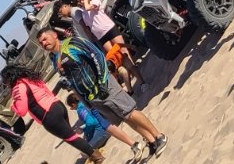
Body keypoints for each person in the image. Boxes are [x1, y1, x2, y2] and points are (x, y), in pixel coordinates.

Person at [37, 28, 168, 157]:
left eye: (45, 39)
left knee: (130, 111)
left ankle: (158, 136)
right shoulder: (55, 60)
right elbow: (72, 83)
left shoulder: (72, 43)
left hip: (104, 86)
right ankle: (151, 141)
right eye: (41, 42)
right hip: (92, 97)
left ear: (54, 35)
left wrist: (102, 82)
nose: (44, 43)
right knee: (124, 117)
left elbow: (97, 55)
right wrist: (85, 102)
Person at [0, 64, 105, 163]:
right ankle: (91, 152)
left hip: (49, 116)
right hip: (58, 106)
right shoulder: (32, 78)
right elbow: (49, 93)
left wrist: (13, 106)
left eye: (5, 81)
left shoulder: (18, 88)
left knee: (70, 138)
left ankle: (96, 156)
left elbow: (21, 111)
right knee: (71, 135)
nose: (5, 84)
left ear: (10, 78)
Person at [56, 0, 141, 91]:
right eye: (79, 1)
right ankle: (128, 77)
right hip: (101, 37)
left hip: (108, 30)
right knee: (115, 56)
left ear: (65, 6)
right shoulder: (82, 12)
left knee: (123, 52)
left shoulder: (89, 4)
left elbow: (86, 25)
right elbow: (88, 25)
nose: (80, 2)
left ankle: (137, 75)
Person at [68, 92, 136, 150]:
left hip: (103, 130)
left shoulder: (80, 109)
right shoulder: (86, 101)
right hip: (109, 123)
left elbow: (91, 122)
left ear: (73, 104)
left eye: (72, 107)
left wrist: (83, 130)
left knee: (86, 150)